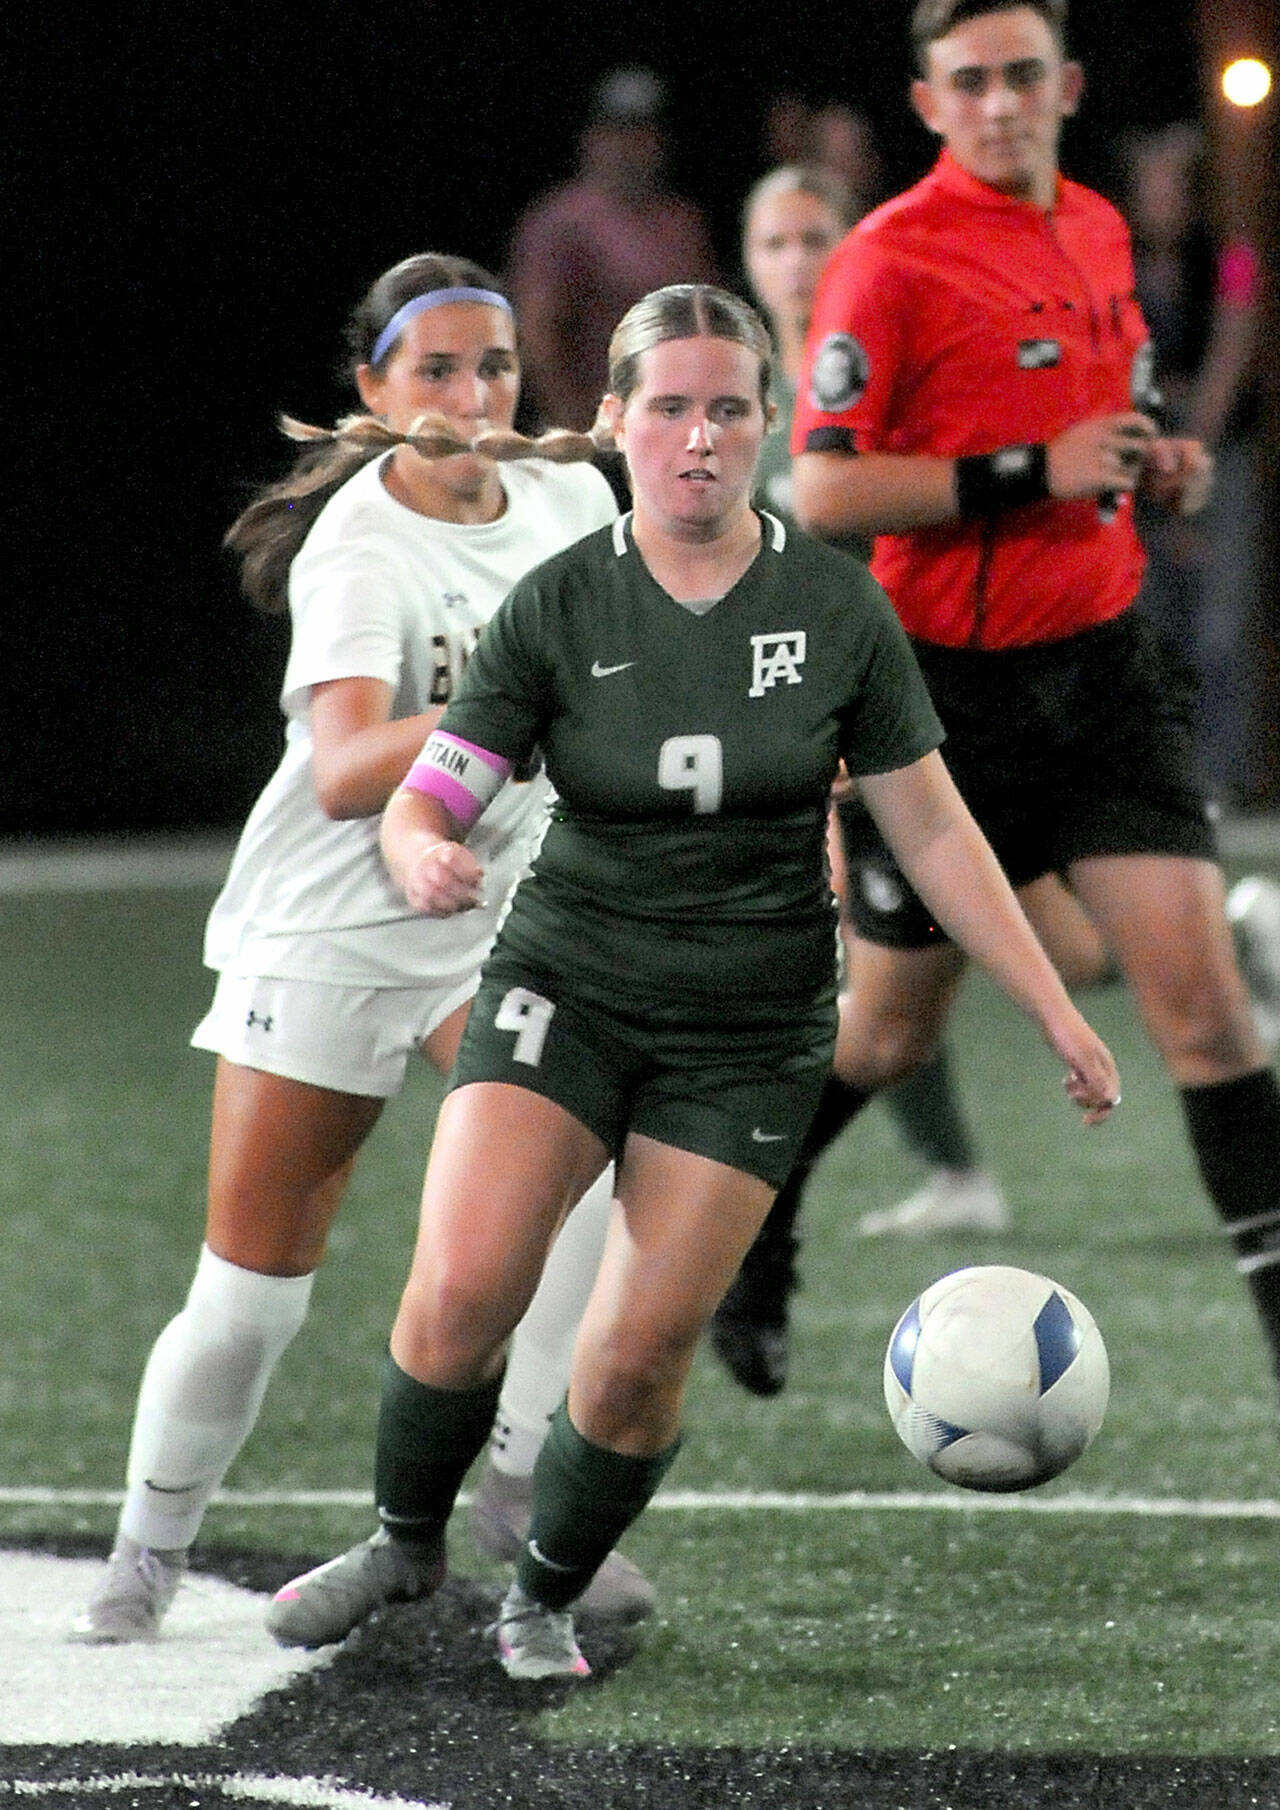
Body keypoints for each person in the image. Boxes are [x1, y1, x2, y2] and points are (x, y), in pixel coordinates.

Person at [264, 281, 1119, 1682]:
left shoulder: (835, 609)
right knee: (462, 1287)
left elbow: (932, 827)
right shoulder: (558, 601)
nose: (700, 437)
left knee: (633, 1361)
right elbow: (437, 787)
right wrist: (421, 848)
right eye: (669, 406)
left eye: (729, 407)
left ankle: (538, 1594)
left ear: (768, 425)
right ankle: (402, 1537)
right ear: (614, 423)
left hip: (749, 1023)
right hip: (568, 980)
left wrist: (1053, 1004)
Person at [72, 252, 652, 1644]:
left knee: (589, 1173)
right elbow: (343, 770)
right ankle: (144, 1554)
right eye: (436, 371)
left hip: (491, 922)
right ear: (374, 390)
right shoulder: (361, 544)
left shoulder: (574, 498)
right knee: (251, 1297)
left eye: (495, 366)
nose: (471, 397)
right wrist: (535, 690)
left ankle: (517, 1491)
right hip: (332, 934)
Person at [788, 0, 1280, 1401]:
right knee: (887, 1034)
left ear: (1064, 83)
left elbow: (1094, 438)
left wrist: (1148, 468)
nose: (1002, 102)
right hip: (939, 701)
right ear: (930, 102)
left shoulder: (1102, 229)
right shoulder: (885, 259)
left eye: (1023, 76)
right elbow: (825, 489)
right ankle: (757, 1228)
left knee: (1210, 1019)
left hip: (1107, 674)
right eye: (971, 82)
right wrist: (1033, 470)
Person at [709, 160, 1115, 1396]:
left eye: (817, 234)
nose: (795, 258)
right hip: (866, 745)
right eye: (772, 237)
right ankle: (751, 1235)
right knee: (884, 1033)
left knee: (1080, 955)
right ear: (748, 257)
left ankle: (773, 1213)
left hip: (979, 706)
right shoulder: (731, 410)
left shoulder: (906, 365)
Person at [505, 66, 720, 433]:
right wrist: (576, 426)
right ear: (591, 137)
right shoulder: (560, 222)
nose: (631, 147)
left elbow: (710, 321)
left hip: (675, 422)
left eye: (643, 133)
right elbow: (537, 333)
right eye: (617, 131)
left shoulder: (682, 222)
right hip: (591, 428)